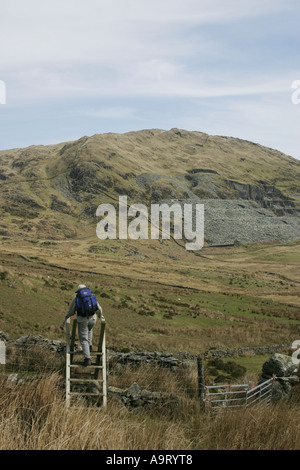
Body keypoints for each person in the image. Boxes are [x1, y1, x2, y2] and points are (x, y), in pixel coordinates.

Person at [60, 284, 104, 367]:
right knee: (90, 329)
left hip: (82, 320)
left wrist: (67, 315)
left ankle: (87, 359)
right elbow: (98, 308)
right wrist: (100, 315)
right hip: (93, 319)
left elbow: (72, 311)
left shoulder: (77, 298)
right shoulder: (91, 296)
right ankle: (90, 347)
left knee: (83, 339)